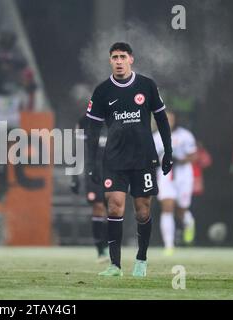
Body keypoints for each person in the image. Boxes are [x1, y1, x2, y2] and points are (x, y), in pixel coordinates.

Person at [85, 42, 173, 277]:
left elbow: (162, 120)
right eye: (114, 57)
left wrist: (169, 151)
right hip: (114, 159)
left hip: (143, 158)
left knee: (142, 211)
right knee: (114, 207)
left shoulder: (147, 85)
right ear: (110, 61)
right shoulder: (102, 91)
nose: (119, 61)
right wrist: (90, 163)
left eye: (123, 56)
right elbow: (92, 130)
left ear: (131, 59)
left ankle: (141, 260)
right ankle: (114, 265)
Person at [153, 111, 197, 255]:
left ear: (175, 120)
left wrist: (179, 159)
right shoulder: (156, 137)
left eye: (170, 119)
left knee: (181, 209)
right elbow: (151, 158)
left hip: (183, 175)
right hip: (166, 174)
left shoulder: (185, 135)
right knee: (167, 207)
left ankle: (188, 222)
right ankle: (169, 245)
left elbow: (193, 156)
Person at [70, 114, 109, 263]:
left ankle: (109, 245)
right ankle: (100, 249)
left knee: (112, 209)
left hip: (112, 171)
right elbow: (77, 151)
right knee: (98, 207)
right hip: (93, 173)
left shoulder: (116, 118)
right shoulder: (83, 122)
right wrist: (74, 178)